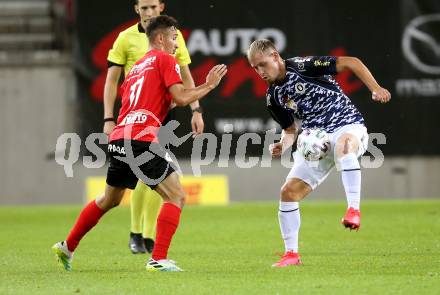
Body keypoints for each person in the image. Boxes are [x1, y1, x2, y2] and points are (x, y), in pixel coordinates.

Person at [52, 15, 227, 272]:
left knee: (109, 199)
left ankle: (67, 246)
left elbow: (157, 101)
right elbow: (179, 96)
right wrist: (208, 86)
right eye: (173, 38)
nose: (177, 45)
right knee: (176, 195)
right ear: (159, 39)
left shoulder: (136, 68)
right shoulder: (165, 59)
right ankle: (158, 259)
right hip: (141, 139)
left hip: (120, 137)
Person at [246, 39, 391, 267]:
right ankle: (291, 254)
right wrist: (282, 145)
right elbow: (290, 130)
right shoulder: (273, 97)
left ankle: (353, 209)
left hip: (346, 125)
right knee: (288, 192)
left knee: (344, 146)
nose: (260, 72)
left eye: (262, 64)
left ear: (275, 56)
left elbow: (352, 62)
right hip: (317, 140)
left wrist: (376, 89)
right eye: (255, 68)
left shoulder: (303, 66)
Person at [103, 0, 203, 254]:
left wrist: (196, 109)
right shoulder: (125, 39)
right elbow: (112, 80)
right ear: (136, 9)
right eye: (143, 8)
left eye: (152, 7)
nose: (149, 12)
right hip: (136, 116)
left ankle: (147, 235)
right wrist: (108, 117)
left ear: (161, 7)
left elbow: (185, 72)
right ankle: (137, 232)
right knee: (148, 175)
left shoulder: (172, 35)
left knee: (157, 174)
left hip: (163, 112)